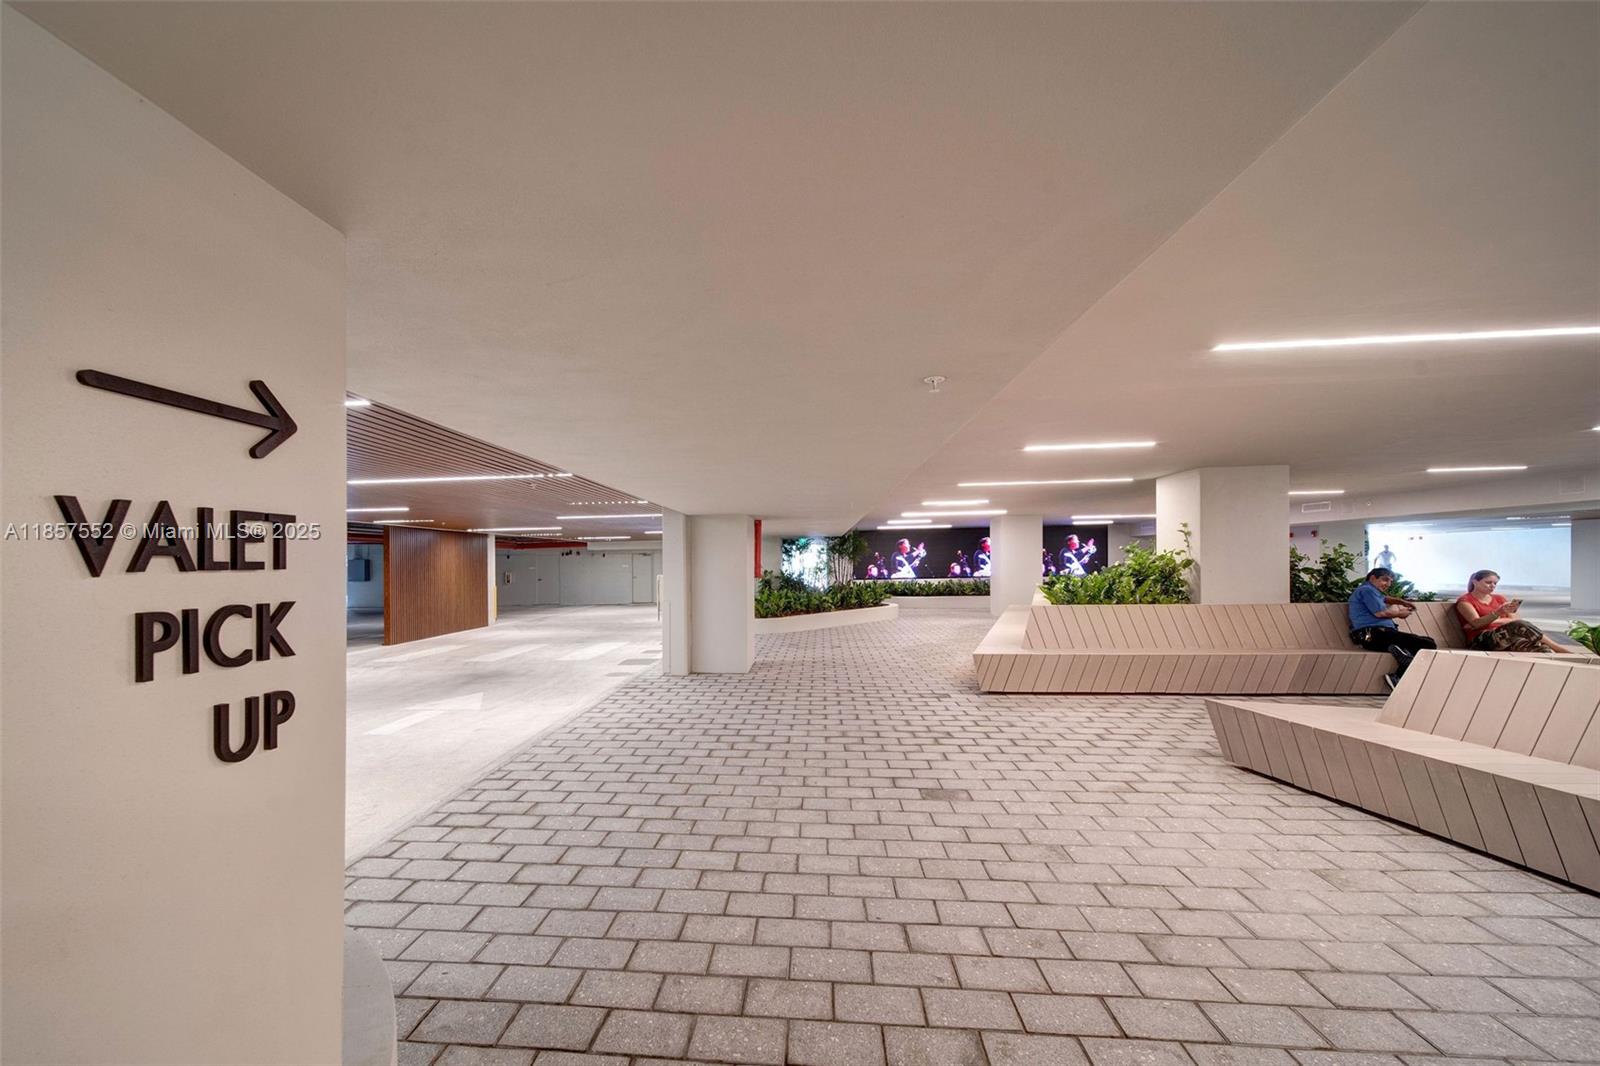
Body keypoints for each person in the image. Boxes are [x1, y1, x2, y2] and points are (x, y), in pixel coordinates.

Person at [1348, 567, 1437, 690]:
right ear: (1373, 578)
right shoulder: (1367, 590)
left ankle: (1400, 653)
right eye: (1385, 580)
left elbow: (1384, 599)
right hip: (1372, 634)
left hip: (1380, 635)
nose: (1388, 584)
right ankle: (1399, 670)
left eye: (1390, 581)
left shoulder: (1371, 591)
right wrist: (1399, 613)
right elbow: (1380, 613)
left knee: (1425, 643)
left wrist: (1401, 602)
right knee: (1428, 643)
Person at [1455, 569, 1570, 653]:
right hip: (1481, 641)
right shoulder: (1465, 601)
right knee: (1518, 625)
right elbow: (1476, 623)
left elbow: (1515, 619)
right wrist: (1498, 613)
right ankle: (1559, 648)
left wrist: (1495, 620)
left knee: (1542, 649)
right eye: (1488, 582)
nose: (1492, 586)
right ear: (1475, 582)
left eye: (1495, 583)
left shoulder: (1499, 598)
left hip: (1507, 638)